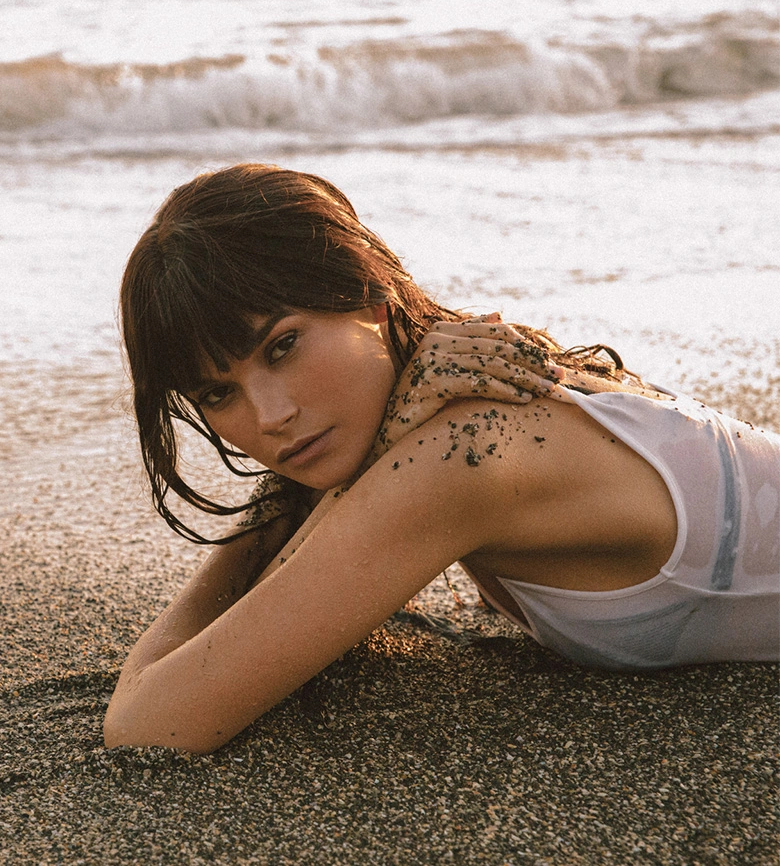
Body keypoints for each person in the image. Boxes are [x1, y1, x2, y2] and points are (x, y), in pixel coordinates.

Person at [104, 163, 780, 753]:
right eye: (219, 393)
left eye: (283, 346)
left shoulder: (466, 454)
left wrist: (369, 456)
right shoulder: (442, 416)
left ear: (370, 293)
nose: (270, 416)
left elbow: (151, 725)